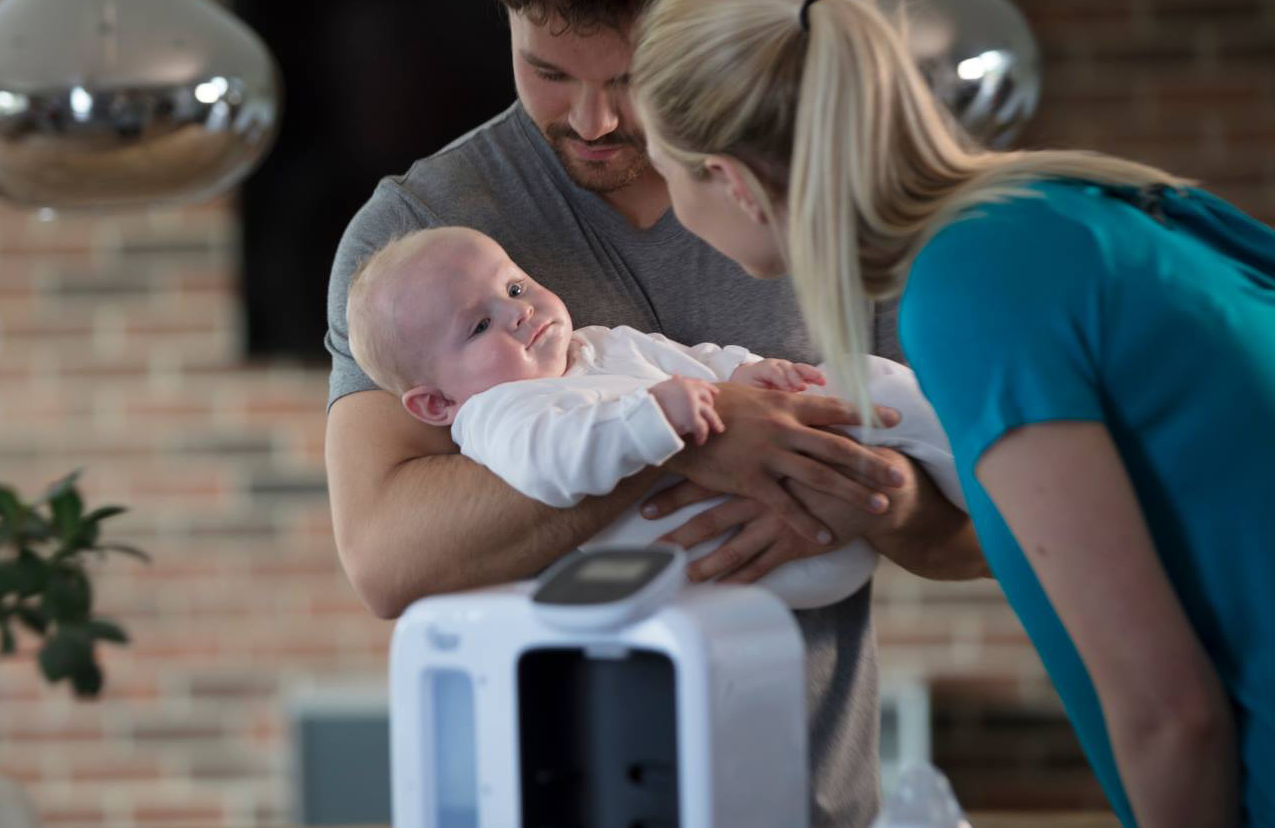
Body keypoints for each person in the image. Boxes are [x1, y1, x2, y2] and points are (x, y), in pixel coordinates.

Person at [323, 1, 986, 823]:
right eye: (548, 73)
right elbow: (386, 561)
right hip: (554, 787)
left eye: (630, 80)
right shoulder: (419, 238)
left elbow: (1004, 525)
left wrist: (876, 490)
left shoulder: (821, 187)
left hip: (804, 795)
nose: (593, 120)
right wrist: (689, 441)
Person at [630, 0, 1275, 826]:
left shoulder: (973, 284)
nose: (672, 202)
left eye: (667, 169)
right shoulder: (1061, 202)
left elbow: (1168, 712)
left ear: (734, 182)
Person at [345, 225, 968, 609]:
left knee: (865, 378)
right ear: (437, 403)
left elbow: (692, 362)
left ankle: (978, 469)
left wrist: (743, 375)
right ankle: (974, 463)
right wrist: (660, 421)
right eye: (480, 325)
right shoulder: (497, 412)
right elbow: (555, 463)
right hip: (736, 562)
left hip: (823, 523)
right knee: (869, 396)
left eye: (514, 288)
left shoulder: (595, 344)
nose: (517, 313)